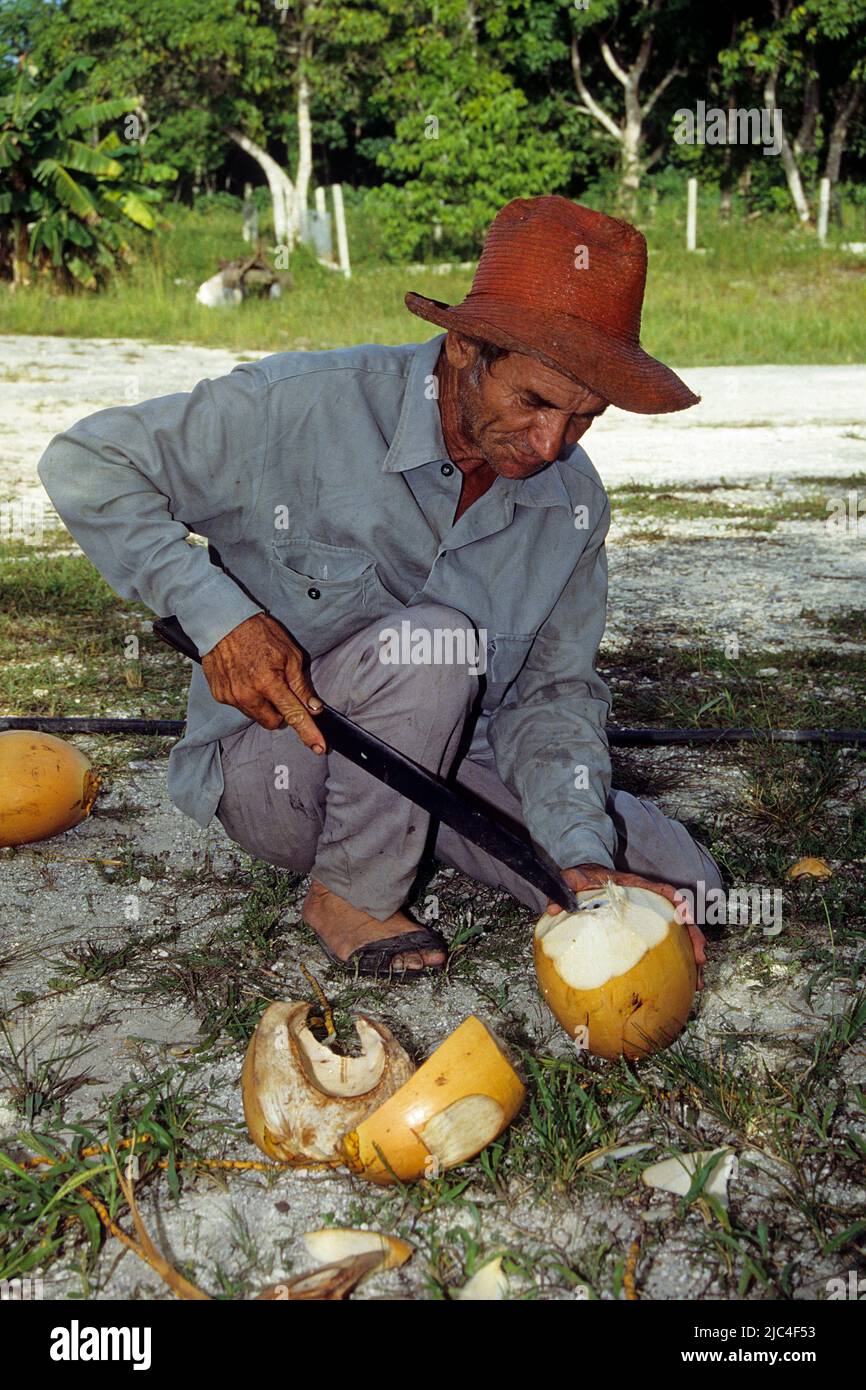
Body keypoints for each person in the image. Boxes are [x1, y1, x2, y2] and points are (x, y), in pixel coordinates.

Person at [38, 195, 723, 981]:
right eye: (533, 401)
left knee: (680, 883)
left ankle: (502, 860)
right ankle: (350, 895)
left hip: (439, 768)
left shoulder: (572, 505)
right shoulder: (300, 407)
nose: (550, 445)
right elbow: (86, 462)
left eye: (584, 418)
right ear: (466, 344)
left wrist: (579, 851)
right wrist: (217, 616)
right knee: (433, 648)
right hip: (281, 771)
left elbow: (553, 697)